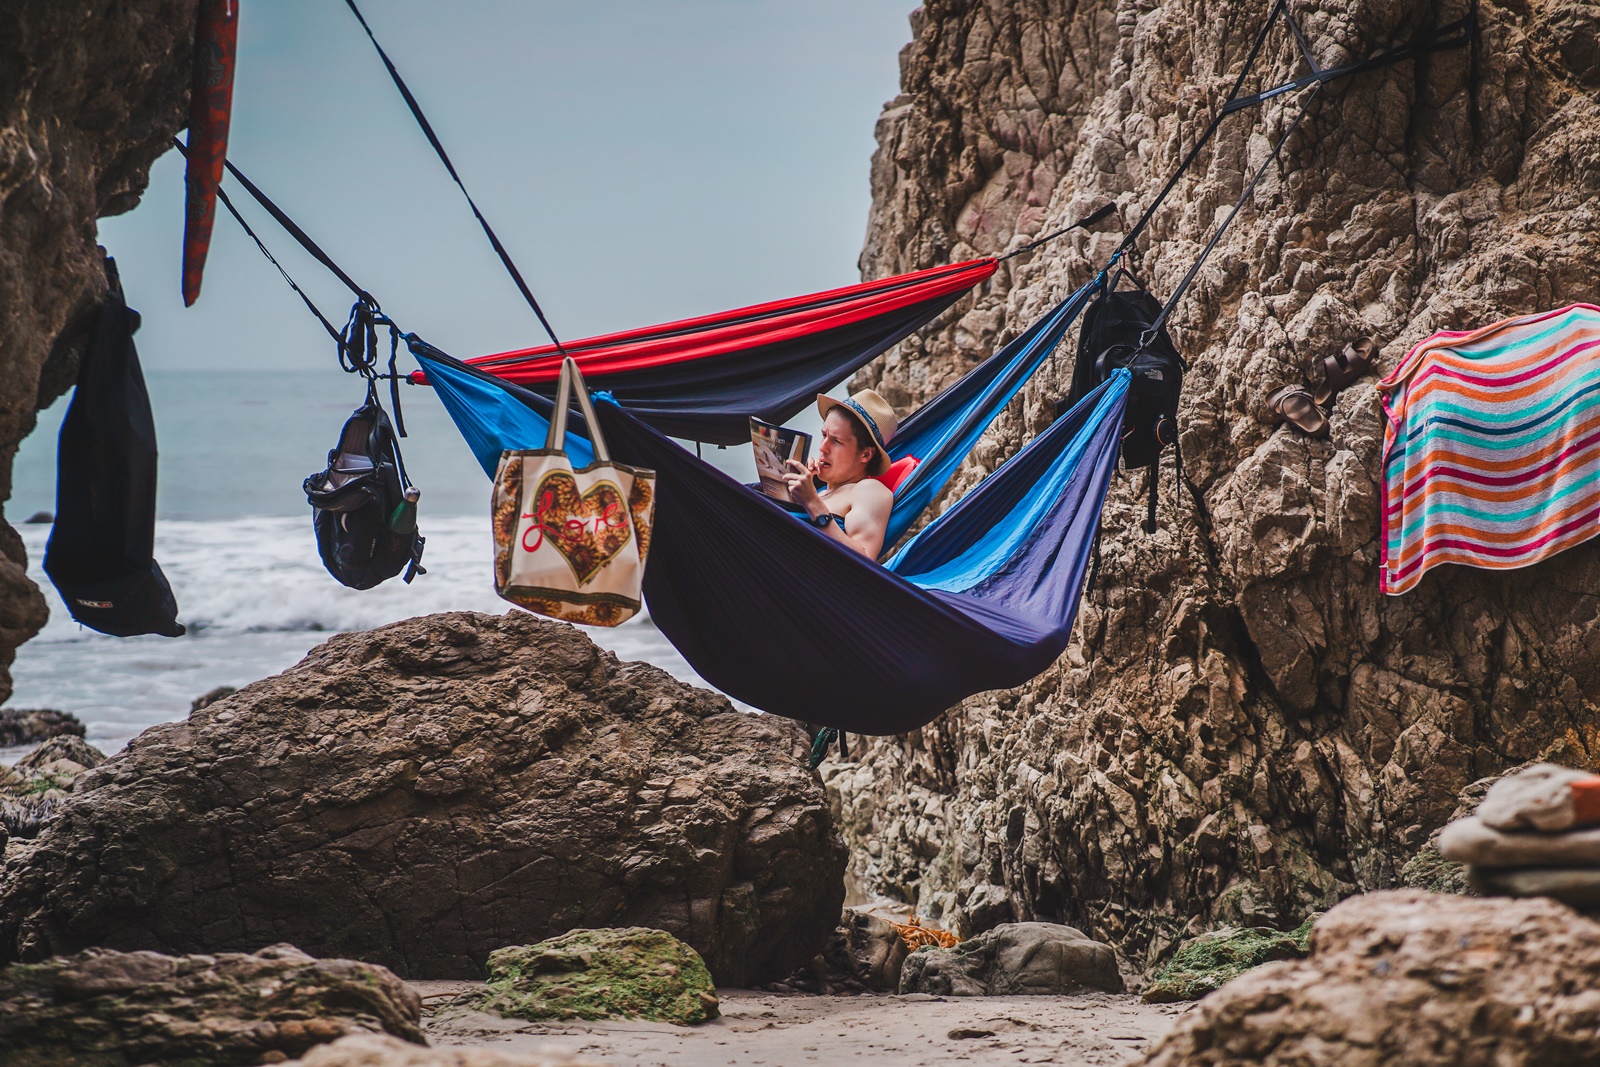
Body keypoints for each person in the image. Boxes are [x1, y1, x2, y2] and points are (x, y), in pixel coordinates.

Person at [782, 389, 899, 559]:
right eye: (824, 435)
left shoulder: (868, 490)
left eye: (836, 441)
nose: (822, 447)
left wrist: (812, 503)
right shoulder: (818, 492)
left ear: (865, 454)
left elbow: (864, 560)